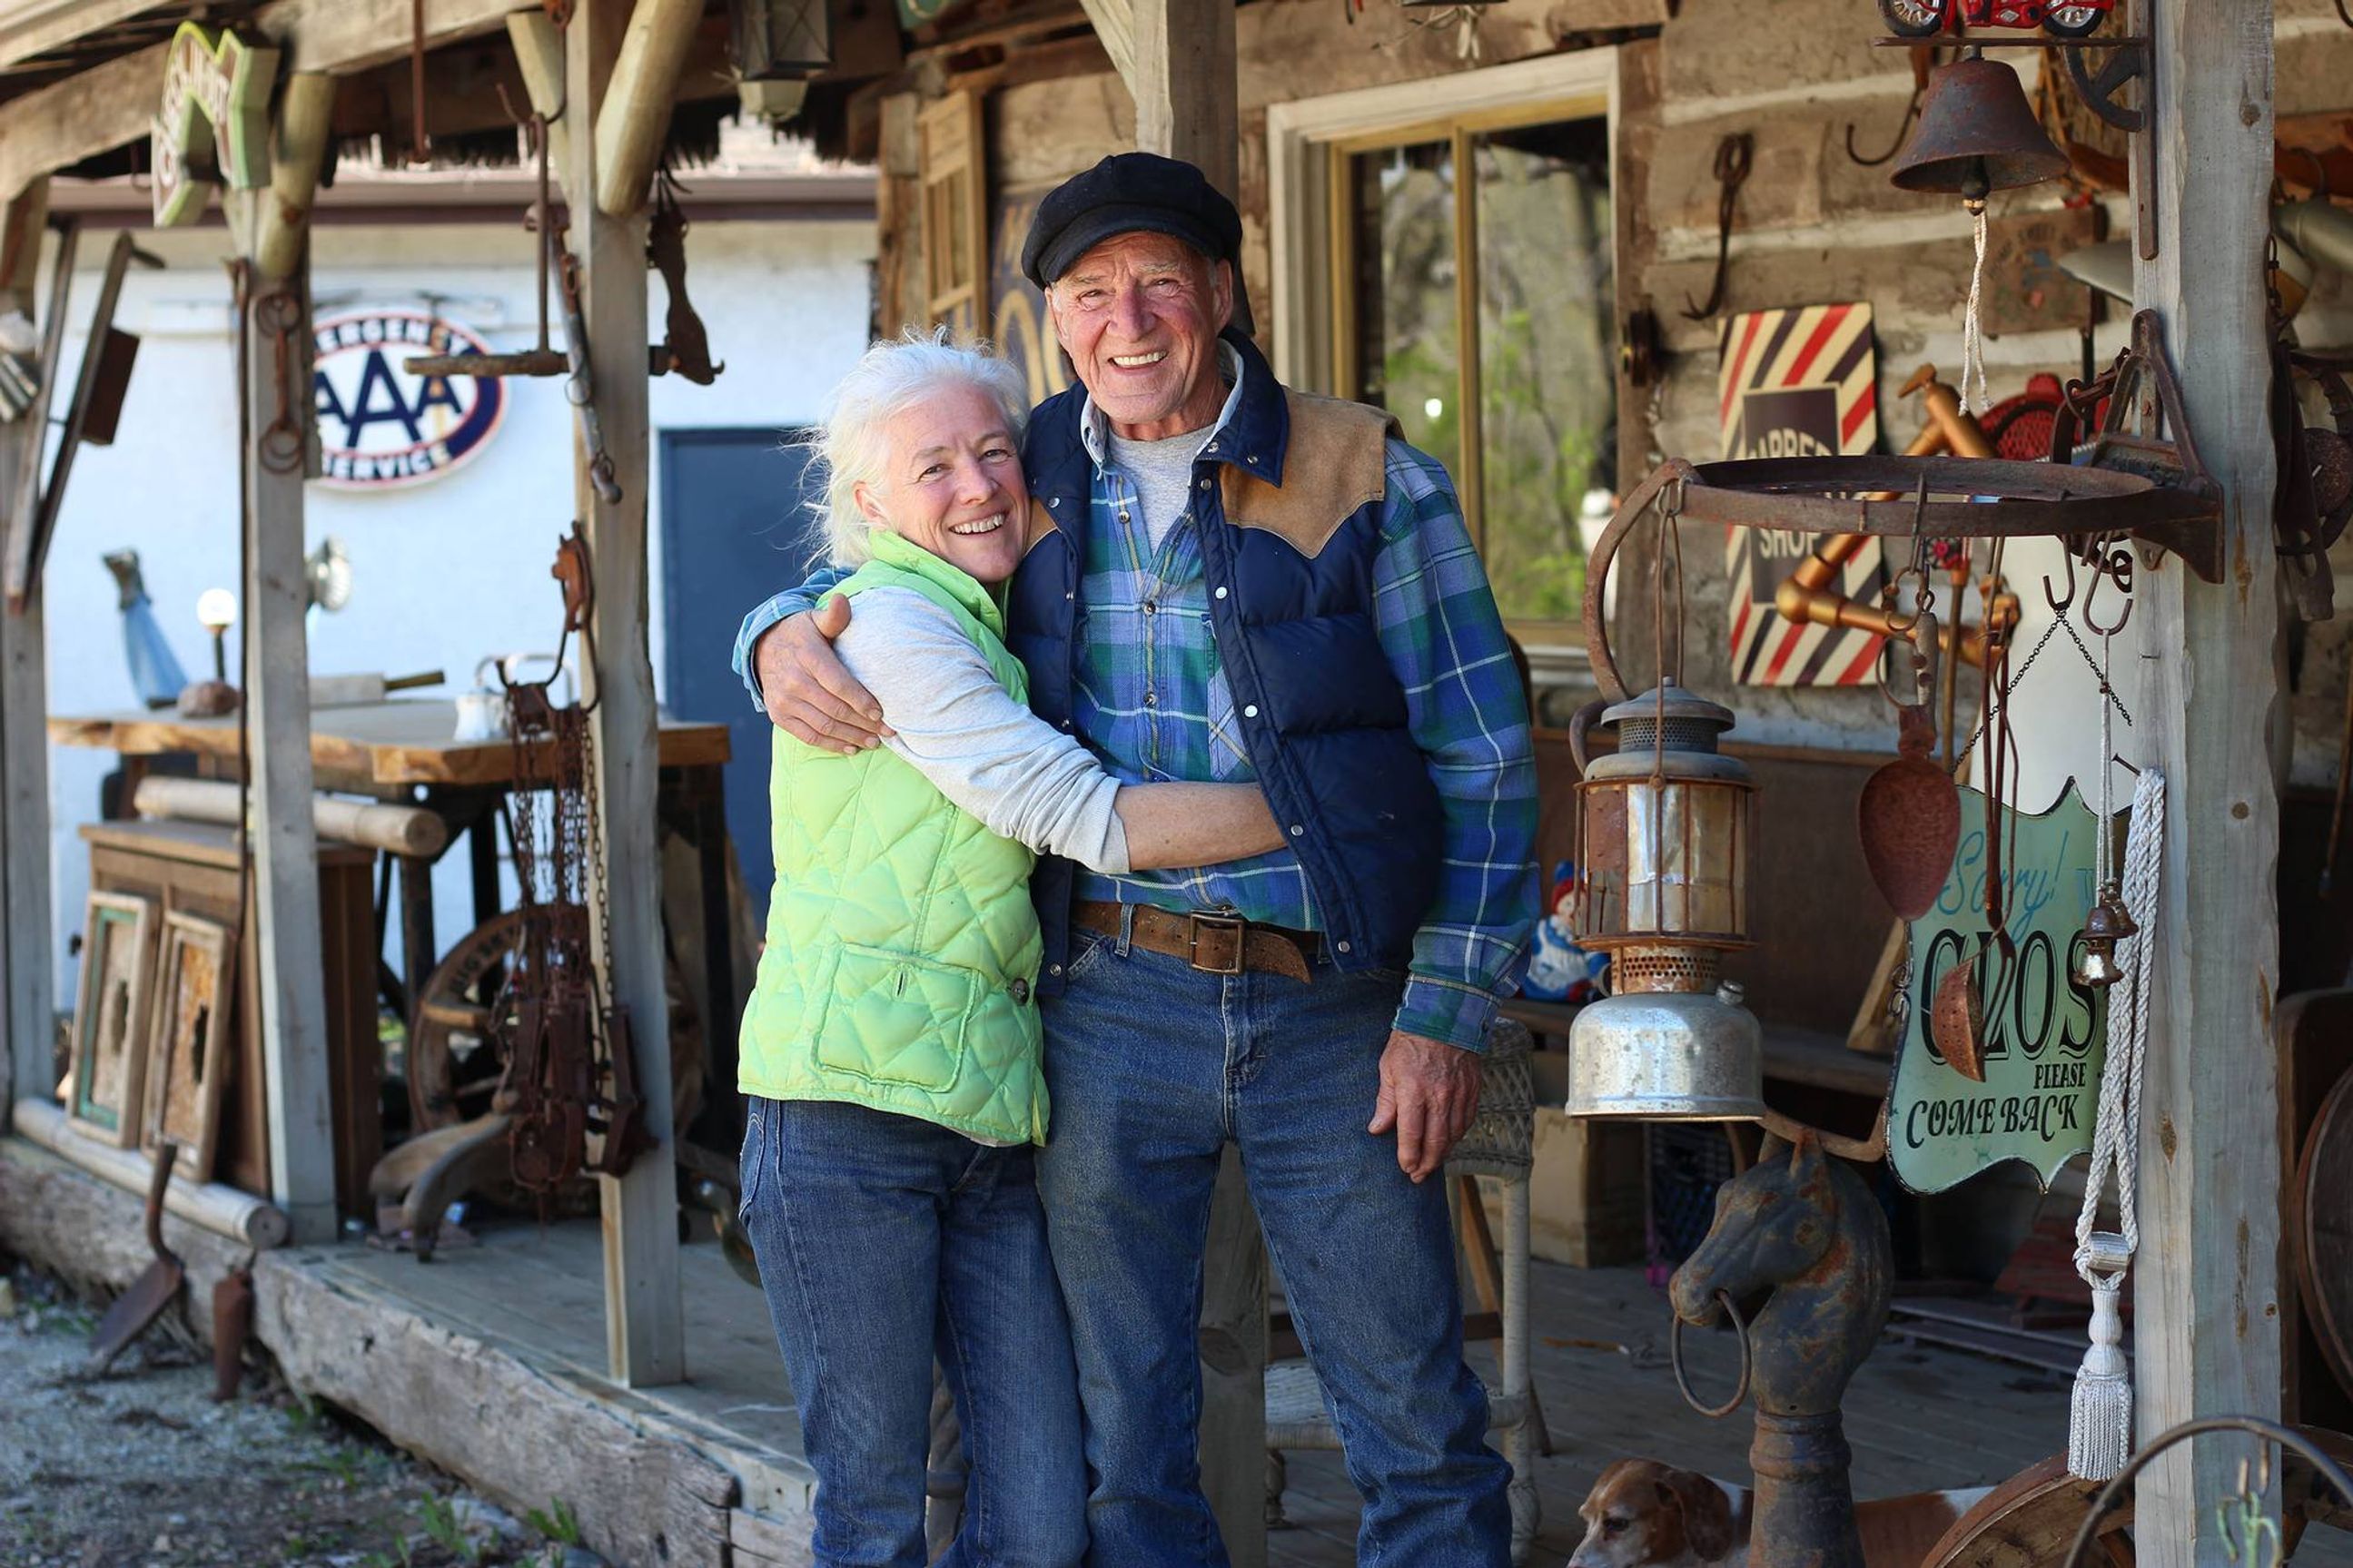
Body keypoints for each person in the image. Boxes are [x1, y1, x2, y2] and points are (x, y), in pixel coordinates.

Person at [736, 153, 1540, 1568]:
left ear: (1222, 294)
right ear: (1055, 319)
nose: (1129, 319)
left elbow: (1484, 758)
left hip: (1336, 1009)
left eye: (1160, 279)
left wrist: (1443, 1017)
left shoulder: (1366, 476)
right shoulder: (1029, 470)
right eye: (1089, 292)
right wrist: (779, 626)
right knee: (1125, 1449)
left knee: (1415, 1423)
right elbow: (895, 548)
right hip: (1110, 1003)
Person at [735, 330, 1291, 1568]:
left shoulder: (1004, 620)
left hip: (988, 1128)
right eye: (932, 467)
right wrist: (1321, 805)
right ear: (870, 505)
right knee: (874, 1517)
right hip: (844, 1120)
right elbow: (1080, 816)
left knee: (1038, 1524)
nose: (978, 484)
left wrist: (766, 627)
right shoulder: (886, 627)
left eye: (994, 451)